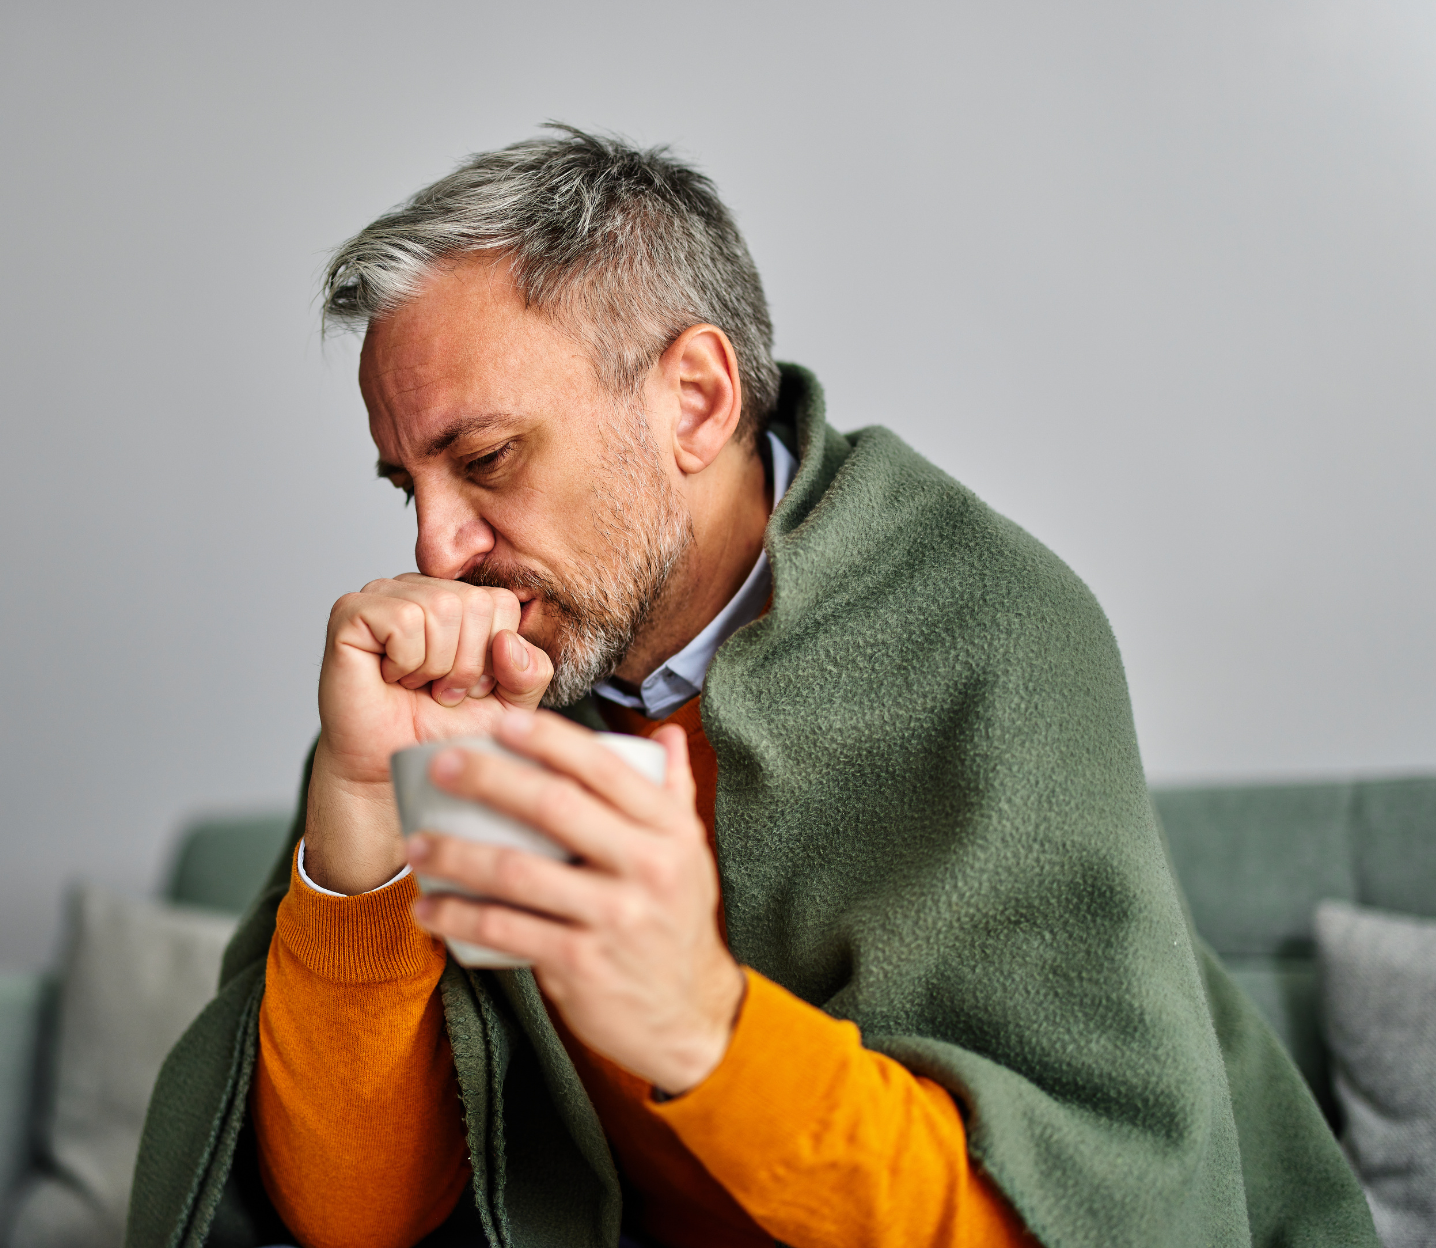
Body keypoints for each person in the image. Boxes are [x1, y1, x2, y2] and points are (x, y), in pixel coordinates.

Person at [128, 127, 1374, 1248]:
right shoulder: (482, 690)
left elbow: (1086, 1216)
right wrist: (361, 840)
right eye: (409, 484)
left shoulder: (986, 630)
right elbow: (360, 1221)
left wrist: (699, 1028)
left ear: (696, 399)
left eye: (486, 458)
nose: (434, 549)